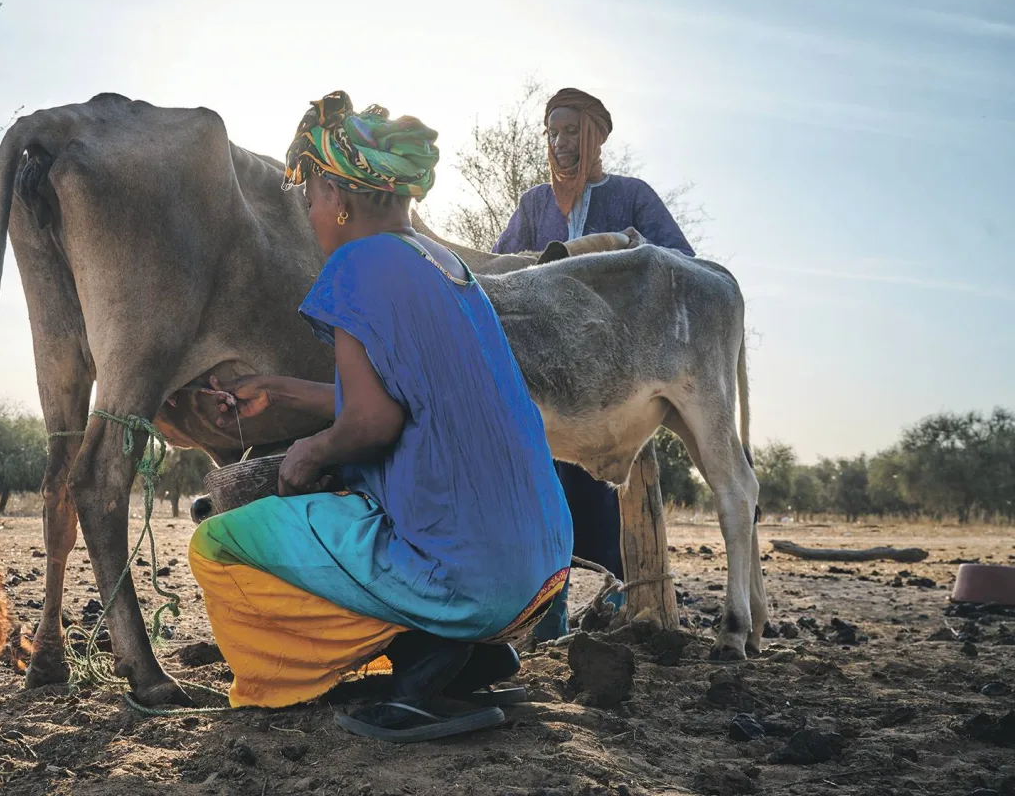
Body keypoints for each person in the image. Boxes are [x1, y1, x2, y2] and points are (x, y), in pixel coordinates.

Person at [190, 91, 574, 743]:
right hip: (541, 568)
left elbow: (373, 424)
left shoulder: (356, 263)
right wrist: (283, 395)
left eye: (309, 194)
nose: (310, 211)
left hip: (466, 573)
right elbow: (414, 401)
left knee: (218, 545)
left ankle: (413, 662)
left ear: (340, 194)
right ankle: (468, 651)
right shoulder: (448, 268)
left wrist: (310, 450)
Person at [491, 87, 695, 640]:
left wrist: (622, 250)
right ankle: (548, 620)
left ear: (598, 137)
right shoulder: (534, 206)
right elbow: (500, 270)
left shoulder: (631, 197)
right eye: (553, 132)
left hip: (613, 380)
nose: (561, 144)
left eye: (572, 132)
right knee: (545, 495)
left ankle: (624, 611)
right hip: (546, 381)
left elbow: (680, 262)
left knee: (609, 502)